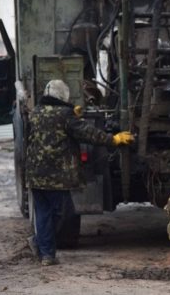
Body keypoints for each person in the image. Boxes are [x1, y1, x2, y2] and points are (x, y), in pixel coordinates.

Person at [26, 79, 134, 266]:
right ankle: (41, 245)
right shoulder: (66, 116)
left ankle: (46, 253)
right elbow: (89, 134)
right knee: (61, 213)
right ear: (63, 96)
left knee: (43, 213)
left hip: (35, 175)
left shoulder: (35, 112)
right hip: (56, 177)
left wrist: (72, 114)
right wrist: (114, 139)